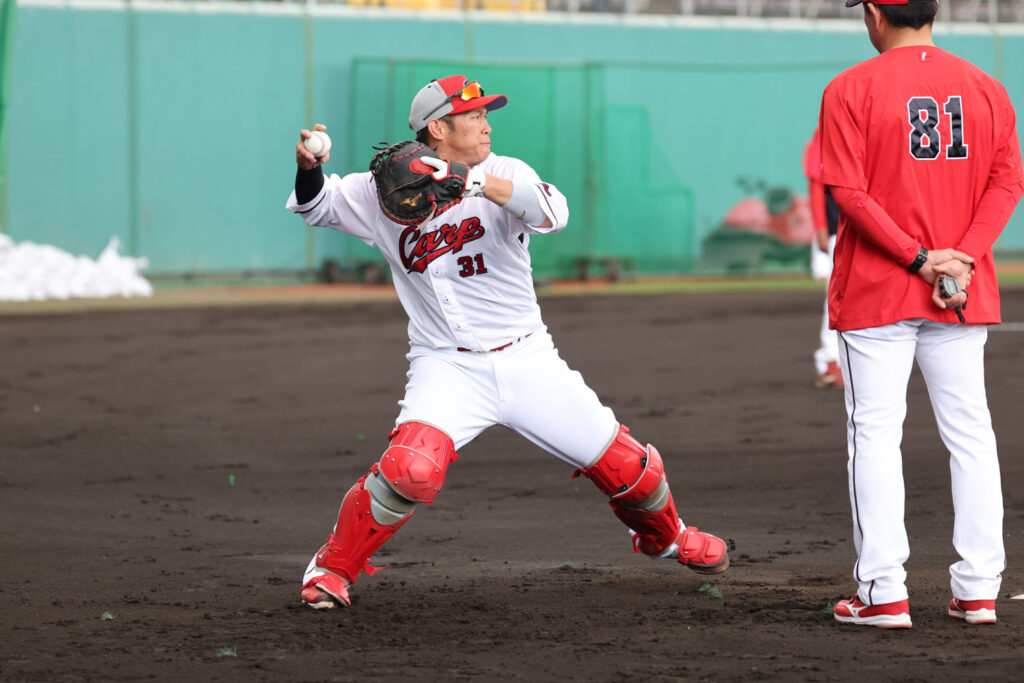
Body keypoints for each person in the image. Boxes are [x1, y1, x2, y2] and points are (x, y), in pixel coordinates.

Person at [285, 74, 730, 609]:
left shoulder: (507, 172)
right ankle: (332, 568)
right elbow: (316, 205)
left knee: (632, 471)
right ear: (438, 128)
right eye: (474, 116)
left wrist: (472, 183)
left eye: (485, 115)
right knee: (410, 469)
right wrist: (309, 167)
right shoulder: (387, 188)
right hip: (446, 366)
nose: (486, 125)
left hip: (526, 359)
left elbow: (552, 213)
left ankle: (667, 537)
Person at [820, 0, 1023, 628]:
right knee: (971, 433)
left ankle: (883, 592)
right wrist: (959, 259)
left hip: (879, 289)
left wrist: (918, 259)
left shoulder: (850, 87)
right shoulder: (986, 87)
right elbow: (1007, 183)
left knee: (875, 435)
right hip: (960, 291)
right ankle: (979, 590)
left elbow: (847, 192)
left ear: (876, 13)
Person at [804, 126, 843, 388]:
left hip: (877, 229)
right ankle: (830, 360)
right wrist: (820, 225)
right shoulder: (829, 126)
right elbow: (816, 180)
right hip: (839, 229)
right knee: (836, 296)